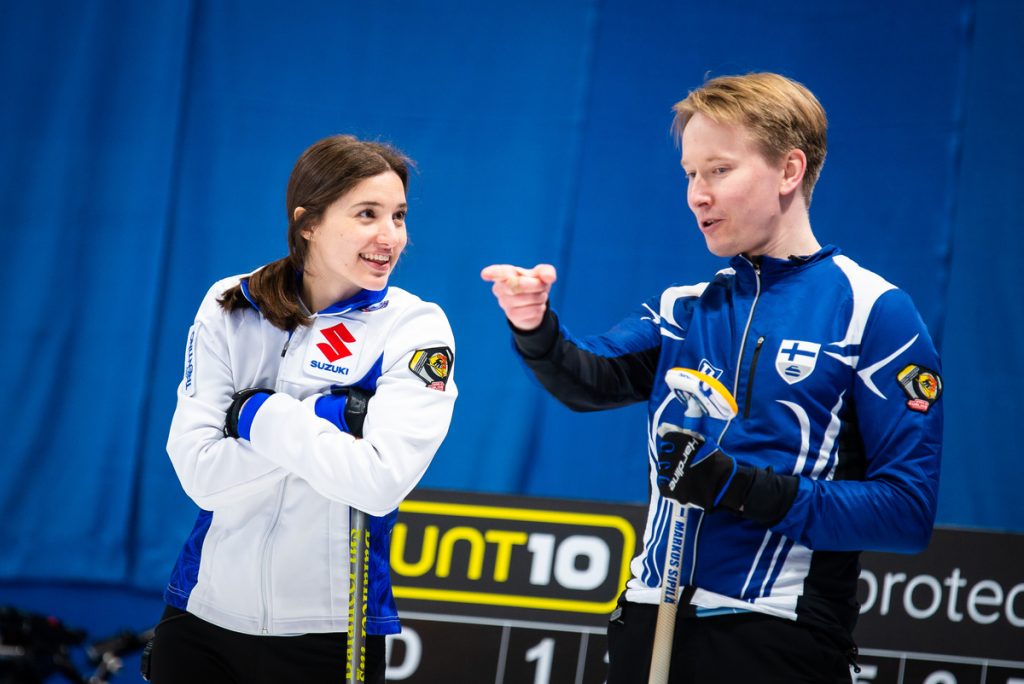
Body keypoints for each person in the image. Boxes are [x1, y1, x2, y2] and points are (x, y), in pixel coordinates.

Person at [481, 72, 942, 683]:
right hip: (649, 622)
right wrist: (534, 326)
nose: (697, 194)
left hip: (776, 634)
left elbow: (906, 512)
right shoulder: (684, 309)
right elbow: (586, 379)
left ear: (789, 171)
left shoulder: (874, 312)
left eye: (719, 170)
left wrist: (741, 488)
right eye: (690, 174)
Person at [147, 135, 457, 683]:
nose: (391, 237)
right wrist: (334, 420)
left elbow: (379, 482)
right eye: (368, 214)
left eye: (399, 216)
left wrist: (256, 417)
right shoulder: (230, 306)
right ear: (307, 222)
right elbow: (200, 477)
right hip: (201, 619)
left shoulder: (415, 328)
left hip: (335, 637)